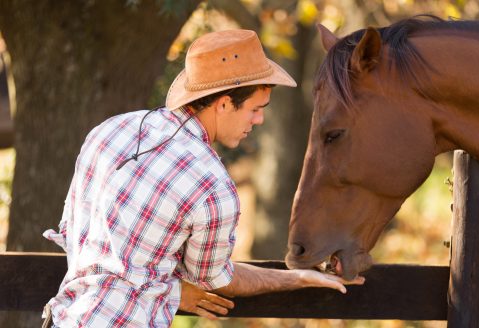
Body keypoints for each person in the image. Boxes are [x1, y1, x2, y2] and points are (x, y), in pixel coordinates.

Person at [42, 29, 364, 327]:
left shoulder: (111, 131)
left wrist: (169, 291)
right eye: (255, 108)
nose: (260, 119)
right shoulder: (211, 185)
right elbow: (216, 280)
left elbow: (87, 247)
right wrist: (298, 279)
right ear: (224, 103)